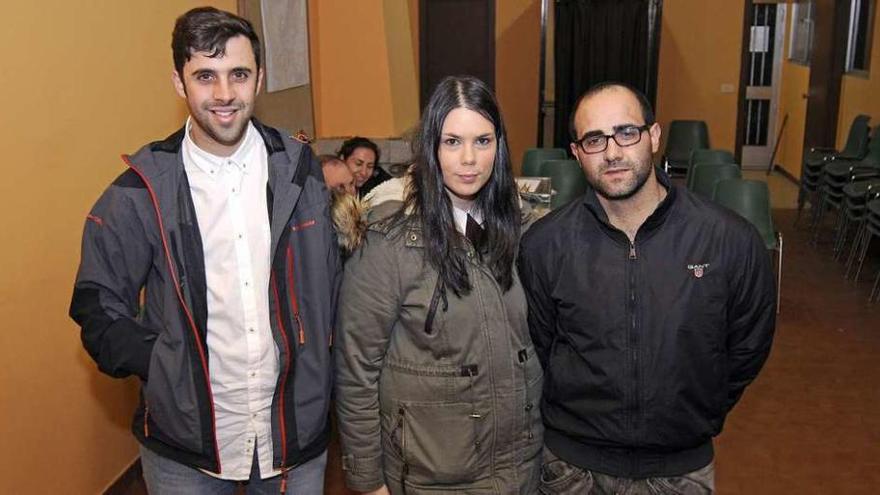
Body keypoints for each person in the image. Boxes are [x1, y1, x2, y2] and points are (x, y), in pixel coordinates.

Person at [69, 7, 339, 494]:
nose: (224, 95)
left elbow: (332, 287)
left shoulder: (302, 173)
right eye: (205, 76)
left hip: (293, 436)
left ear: (259, 79)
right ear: (178, 82)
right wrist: (163, 365)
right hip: (184, 449)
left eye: (238, 74)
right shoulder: (140, 191)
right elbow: (96, 304)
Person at [518, 82, 776, 494]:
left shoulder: (728, 240)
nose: (612, 151)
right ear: (577, 153)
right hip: (571, 471)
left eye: (626, 132)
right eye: (594, 139)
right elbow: (539, 346)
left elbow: (747, 347)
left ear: (654, 136)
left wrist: (695, 404)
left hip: (680, 471)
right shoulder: (545, 246)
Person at [334, 75, 543, 494]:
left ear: (499, 148)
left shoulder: (522, 234)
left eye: (482, 141)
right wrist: (368, 482)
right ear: (430, 147)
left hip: (519, 470)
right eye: (452, 142)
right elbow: (357, 372)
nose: (469, 158)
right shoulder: (386, 246)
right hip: (432, 477)